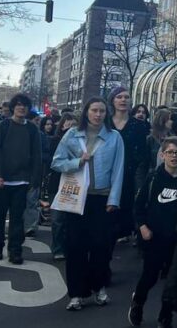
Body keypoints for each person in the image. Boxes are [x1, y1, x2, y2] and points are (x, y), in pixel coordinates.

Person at [51, 97, 124, 311]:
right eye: (94, 110)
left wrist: (114, 199)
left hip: (101, 198)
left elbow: (119, 170)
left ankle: (99, 287)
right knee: (75, 246)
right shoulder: (72, 134)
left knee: (101, 245)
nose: (98, 114)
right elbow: (56, 162)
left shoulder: (114, 137)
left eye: (102, 111)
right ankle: (76, 293)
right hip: (76, 197)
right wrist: (77, 162)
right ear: (86, 112)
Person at [128, 136, 177, 328]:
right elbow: (138, 206)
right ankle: (138, 302)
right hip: (154, 237)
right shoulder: (153, 178)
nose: (173, 156)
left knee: (173, 280)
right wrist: (143, 227)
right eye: (170, 152)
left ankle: (165, 315)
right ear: (162, 155)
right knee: (150, 275)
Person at [0, 94, 42, 265]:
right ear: (13, 107)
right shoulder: (1, 126)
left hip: (22, 181)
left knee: (17, 219)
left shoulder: (33, 130)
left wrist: (34, 181)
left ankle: (15, 250)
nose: (21, 108)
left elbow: (37, 156)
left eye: (25, 105)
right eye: (18, 105)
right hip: (1, 181)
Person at [108, 87, 150, 244]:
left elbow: (142, 154)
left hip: (128, 175)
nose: (123, 100)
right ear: (113, 100)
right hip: (106, 174)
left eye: (126, 97)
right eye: (119, 97)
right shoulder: (106, 122)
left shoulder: (138, 125)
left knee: (122, 216)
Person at [43, 112, 77, 260]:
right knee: (57, 219)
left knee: (70, 219)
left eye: (74, 124)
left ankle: (68, 246)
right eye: (68, 123)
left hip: (74, 183)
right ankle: (58, 248)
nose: (70, 126)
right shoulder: (55, 141)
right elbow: (51, 162)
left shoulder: (81, 142)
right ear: (62, 125)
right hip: (57, 183)